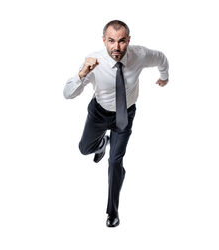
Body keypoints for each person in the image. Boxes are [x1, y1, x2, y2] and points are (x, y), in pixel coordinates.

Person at [63, 20, 169, 227]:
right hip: (99, 113)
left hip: (125, 115)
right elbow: (67, 94)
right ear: (104, 40)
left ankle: (112, 212)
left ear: (128, 40)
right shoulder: (94, 62)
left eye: (121, 41)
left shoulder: (140, 55)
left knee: (115, 163)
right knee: (84, 149)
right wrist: (82, 74)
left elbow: (161, 58)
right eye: (111, 41)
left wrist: (164, 77)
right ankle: (102, 144)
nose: (116, 47)